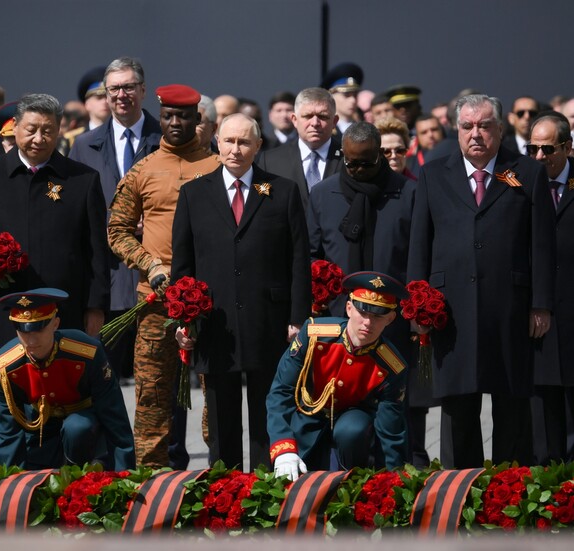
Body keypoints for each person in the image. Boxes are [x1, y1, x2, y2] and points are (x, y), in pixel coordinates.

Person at [407, 94, 555, 468]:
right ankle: (460, 494)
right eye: (467, 126)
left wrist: (541, 304)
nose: (476, 134)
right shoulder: (432, 173)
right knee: (458, 408)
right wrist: (417, 303)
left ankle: (508, 494)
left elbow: (541, 244)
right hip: (449, 309)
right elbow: (419, 244)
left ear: (500, 130)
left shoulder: (528, 172)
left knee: (511, 405)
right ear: (456, 130)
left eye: (485, 126)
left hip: (510, 307)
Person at [0, 93, 109, 422]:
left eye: (48, 130)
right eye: (31, 130)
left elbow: (97, 252)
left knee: (68, 406)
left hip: (63, 312)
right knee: (9, 405)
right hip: (6, 310)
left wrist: (96, 308)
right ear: (15, 129)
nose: (39, 138)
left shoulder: (82, 179)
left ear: (59, 130)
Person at [171, 113, 310, 470]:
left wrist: (297, 318)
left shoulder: (283, 191)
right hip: (216, 324)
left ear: (258, 146)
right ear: (216, 142)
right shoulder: (193, 194)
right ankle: (225, 491)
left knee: (269, 412)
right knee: (221, 418)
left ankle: (267, 489)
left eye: (244, 141)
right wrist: (184, 320)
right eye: (229, 140)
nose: (236, 149)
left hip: (269, 319)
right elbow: (182, 267)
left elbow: (298, 260)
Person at [108, 84, 220, 467]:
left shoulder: (217, 168)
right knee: (153, 394)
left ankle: (220, 475)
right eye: (168, 116)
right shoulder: (144, 169)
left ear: (196, 119)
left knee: (214, 394)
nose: (175, 123)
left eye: (183, 116)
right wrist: (149, 263)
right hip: (155, 302)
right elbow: (117, 230)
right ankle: (150, 483)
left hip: (209, 303)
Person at [306, 121, 428, 466]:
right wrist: (320, 288)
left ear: (381, 156)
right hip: (340, 322)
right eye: (351, 163)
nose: (358, 171)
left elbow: (418, 254)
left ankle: (398, 482)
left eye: (367, 163)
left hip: (393, 322)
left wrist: (415, 311)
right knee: (342, 411)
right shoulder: (323, 194)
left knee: (395, 411)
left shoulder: (408, 193)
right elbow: (313, 255)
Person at [70, 56, 162, 382]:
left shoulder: (167, 137)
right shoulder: (82, 147)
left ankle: (169, 438)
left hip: (157, 280)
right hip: (107, 283)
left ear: (143, 90)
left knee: (159, 387)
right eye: (114, 89)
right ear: (106, 95)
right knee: (102, 386)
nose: (121, 95)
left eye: (128, 87)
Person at [267, 271, 408, 480]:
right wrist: (283, 448)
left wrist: (391, 484)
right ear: (349, 308)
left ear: (391, 318)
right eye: (363, 312)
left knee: (352, 428)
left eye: (378, 315)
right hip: (306, 420)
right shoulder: (314, 334)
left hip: (352, 432)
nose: (368, 323)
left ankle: (350, 479)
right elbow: (281, 391)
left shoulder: (391, 366)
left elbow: (391, 432)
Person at [0, 288, 135, 470]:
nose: (31, 340)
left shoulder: (87, 352)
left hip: (86, 435)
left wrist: (124, 473)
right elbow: (7, 430)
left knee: (77, 427)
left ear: (56, 324)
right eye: (23, 331)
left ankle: (81, 469)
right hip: (39, 434)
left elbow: (114, 415)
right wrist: (11, 485)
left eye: (39, 329)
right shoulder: (4, 365)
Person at [528, 114, 574, 464]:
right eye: (533, 148)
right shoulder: (520, 183)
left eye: (548, 149)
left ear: (567, 147)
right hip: (539, 313)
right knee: (543, 407)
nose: (540, 157)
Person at [257, 87, 343, 211]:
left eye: (322, 116)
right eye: (308, 116)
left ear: (334, 121)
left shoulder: (349, 159)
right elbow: (262, 205)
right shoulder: (270, 161)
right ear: (294, 120)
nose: (315, 123)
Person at [322, 62, 364, 135]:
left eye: (355, 95)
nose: (353, 100)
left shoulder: (364, 129)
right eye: (346, 95)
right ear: (331, 96)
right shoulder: (323, 130)